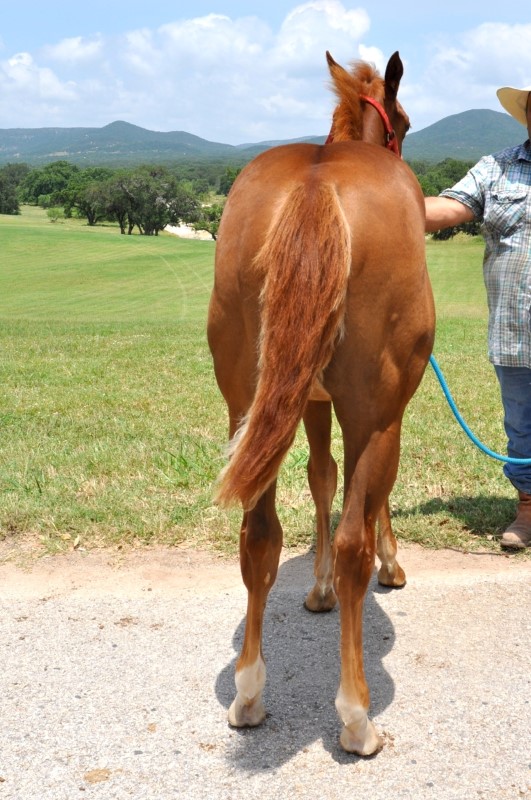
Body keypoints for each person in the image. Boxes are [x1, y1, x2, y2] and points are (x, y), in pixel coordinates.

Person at [425, 83, 531, 550]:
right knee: (523, 425)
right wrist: (379, 200)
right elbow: (449, 208)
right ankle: (528, 509)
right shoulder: (497, 168)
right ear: (527, 113)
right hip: (516, 333)